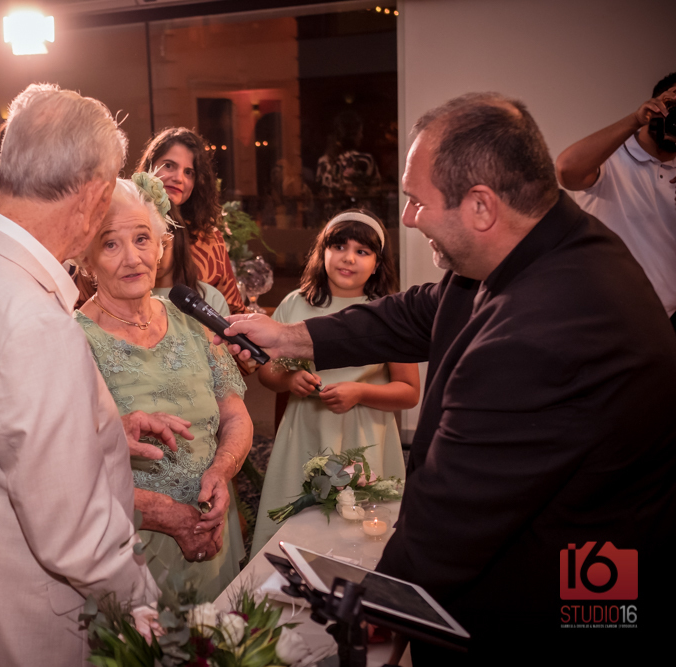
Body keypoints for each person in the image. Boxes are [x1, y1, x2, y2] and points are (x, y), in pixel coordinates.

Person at [216, 93, 676, 664]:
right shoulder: (535, 243)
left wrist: (366, 623)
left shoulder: (542, 333)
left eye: (417, 201)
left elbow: (446, 527)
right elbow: (416, 312)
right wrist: (289, 337)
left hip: (548, 602)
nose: (408, 218)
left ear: (481, 206)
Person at [0, 84, 191, 665]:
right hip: (18, 620)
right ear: (96, 195)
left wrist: (96, 432)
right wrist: (146, 605)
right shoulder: (31, 317)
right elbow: (73, 533)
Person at [75, 175, 252, 601]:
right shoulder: (72, 340)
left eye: (142, 238)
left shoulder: (190, 317)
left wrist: (222, 471)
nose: (132, 257)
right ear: (86, 259)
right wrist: (166, 514)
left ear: (160, 244)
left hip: (213, 521)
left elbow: (235, 414)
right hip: (133, 542)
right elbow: (69, 469)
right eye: (110, 244)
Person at [249, 209, 419, 559]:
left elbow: (409, 391)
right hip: (306, 433)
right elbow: (267, 372)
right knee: (298, 522)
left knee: (362, 530)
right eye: (339, 246)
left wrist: (361, 392)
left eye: (362, 251)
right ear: (322, 252)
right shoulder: (295, 304)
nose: (348, 258)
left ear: (378, 264)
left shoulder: (387, 313)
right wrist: (289, 378)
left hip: (364, 437)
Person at [556, 72, 676, 330]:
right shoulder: (610, 156)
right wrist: (635, 119)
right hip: (603, 316)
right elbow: (567, 170)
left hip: (665, 322)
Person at [136, 128, 247, 314]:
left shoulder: (210, 240)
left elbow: (234, 311)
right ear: (149, 166)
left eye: (189, 172)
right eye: (169, 166)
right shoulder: (120, 227)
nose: (179, 178)